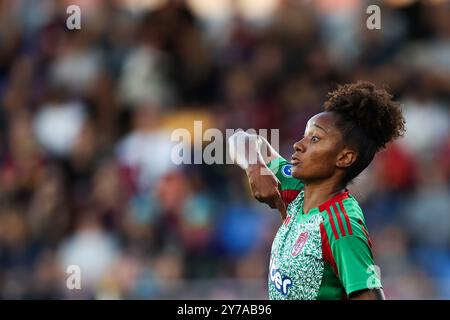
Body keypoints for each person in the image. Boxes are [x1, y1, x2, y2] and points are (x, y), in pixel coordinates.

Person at [228, 81, 406, 300]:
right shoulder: (296, 188)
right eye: (304, 135)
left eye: (315, 139)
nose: (298, 145)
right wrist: (255, 166)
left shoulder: (341, 224)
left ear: (344, 157)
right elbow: (241, 139)